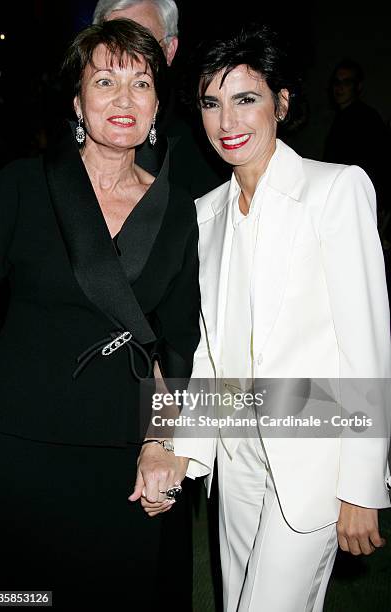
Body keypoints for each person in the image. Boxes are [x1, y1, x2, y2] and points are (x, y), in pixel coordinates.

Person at [143, 24, 391, 612]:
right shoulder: (206, 214)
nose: (227, 122)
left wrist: (361, 483)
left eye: (245, 98)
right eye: (211, 103)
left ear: (281, 102)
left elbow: (366, 343)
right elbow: (208, 348)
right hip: (236, 456)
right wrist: (185, 449)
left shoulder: (336, 190)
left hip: (313, 451)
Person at [0, 19, 199, 610]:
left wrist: (161, 439)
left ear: (158, 105)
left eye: (141, 84)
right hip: (14, 442)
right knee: (17, 598)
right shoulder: (23, 186)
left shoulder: (177, 211)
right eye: (105, 81)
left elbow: (177, 346)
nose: (124, 100)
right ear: (78, 101)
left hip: (120, 454)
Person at [93, 0, 230, 197]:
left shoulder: (204, 147)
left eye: (143, 42)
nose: (126, 59)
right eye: (114, 41)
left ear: (169, 50)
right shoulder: (53, 165)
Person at [323, 58, 390, 240]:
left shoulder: (365, 118)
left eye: (346, 82)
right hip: (345, 202)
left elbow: (379, 162)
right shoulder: (342, 119)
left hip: (358, 202)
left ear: (358, 87)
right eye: (337, 82)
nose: (340, 87)